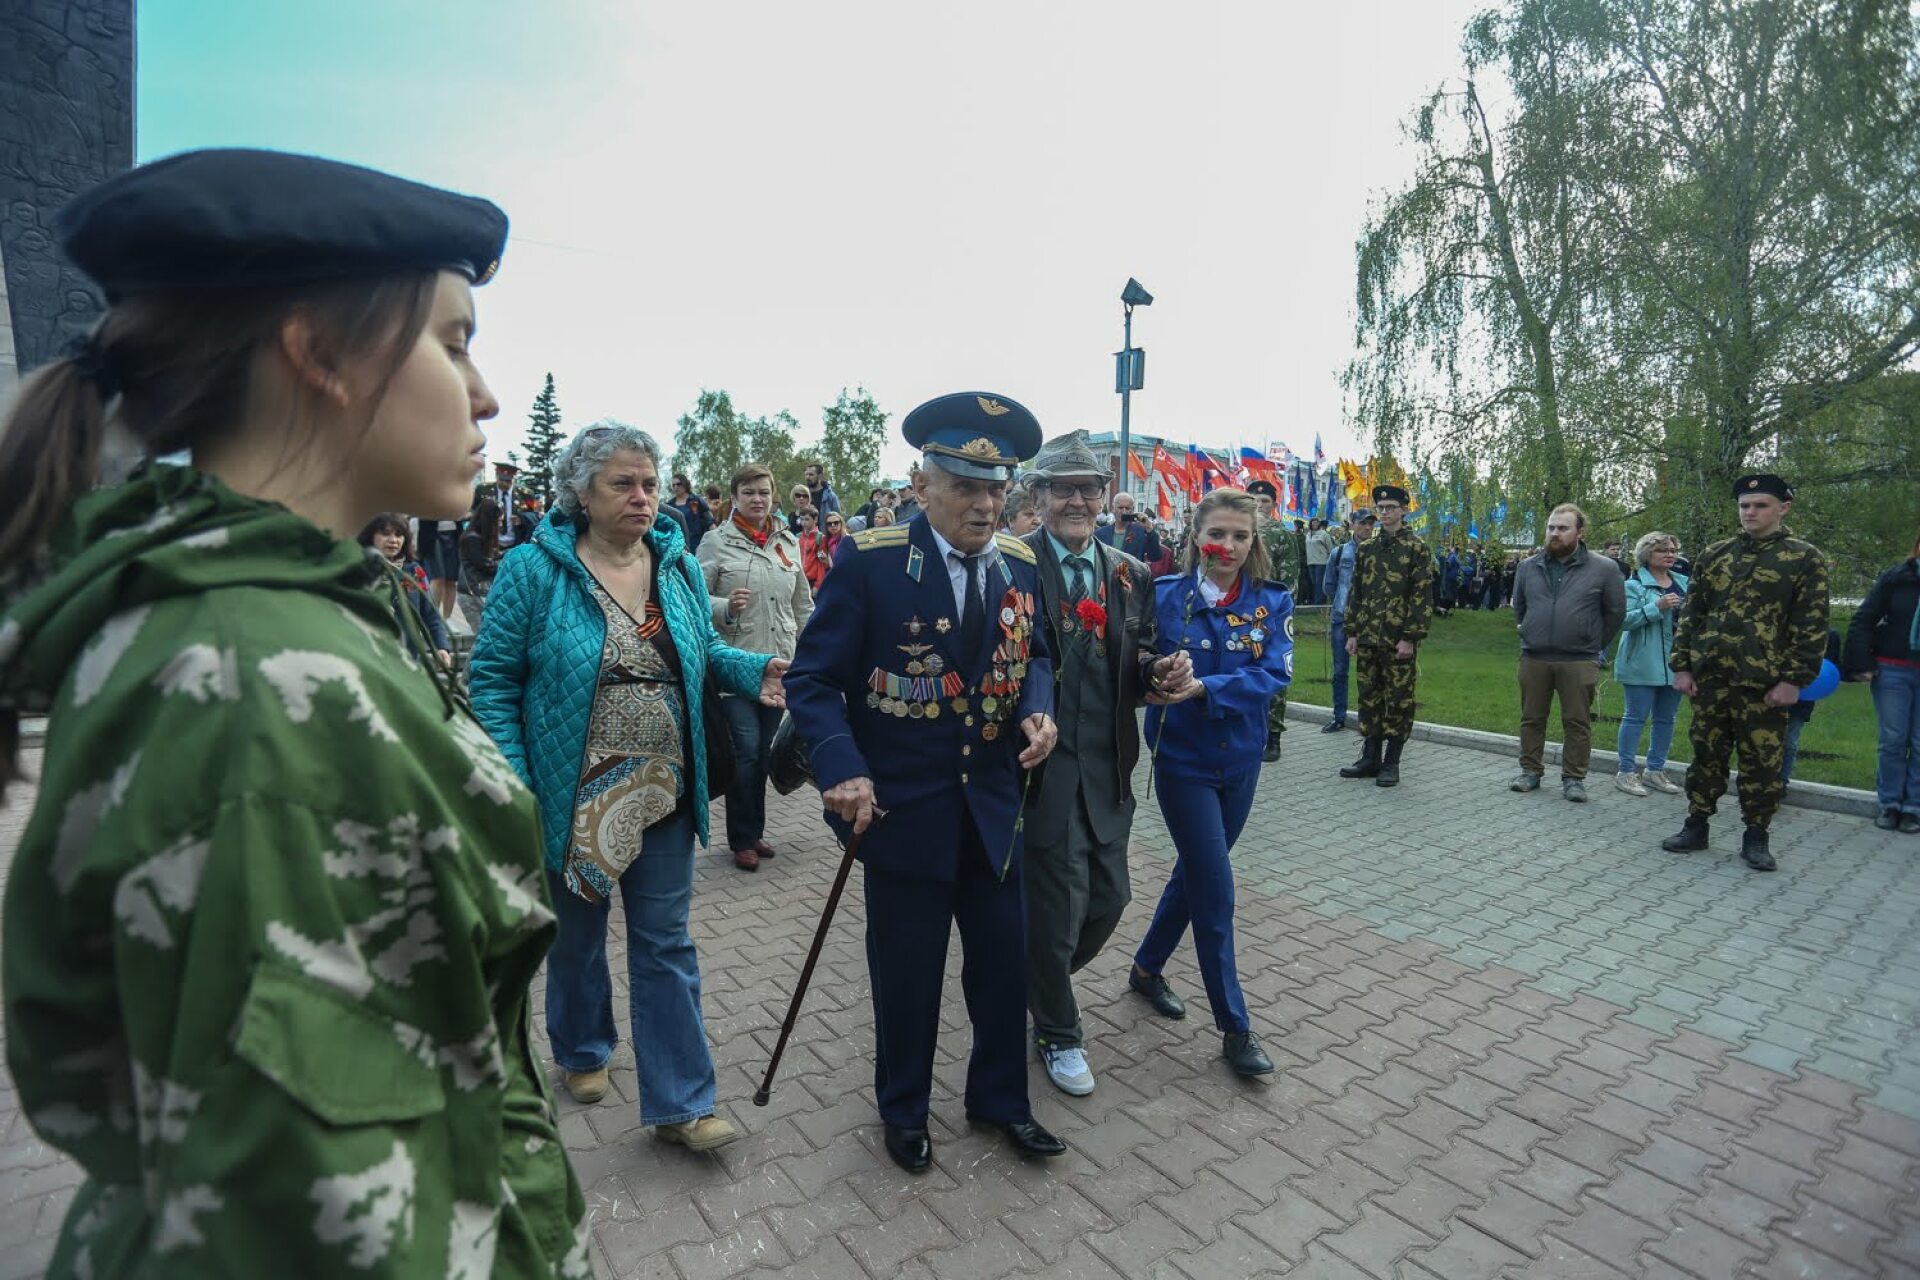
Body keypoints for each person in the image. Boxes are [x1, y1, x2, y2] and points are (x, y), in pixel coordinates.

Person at [0, 148, 592, 1276]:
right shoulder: (258, 684)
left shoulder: (305, 613)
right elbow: (319, 1217)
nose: (485, 394)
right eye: (453, 341)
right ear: (319, 353)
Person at [469, 420, 787, 1152]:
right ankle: (583, 1047)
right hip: (568, 789)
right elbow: (492, 682)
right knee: (577, 938)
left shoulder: (672, 563)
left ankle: (682, 1103)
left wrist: (754, 670)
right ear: (581, 492)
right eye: (623, 483)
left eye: (649, 483)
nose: (643, 497)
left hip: (664, 786)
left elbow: (704, 649)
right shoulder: (533, 570)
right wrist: (517, 782)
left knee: (666, 942)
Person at [784, 390, 1064, 1173]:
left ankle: (1001, 1101)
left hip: (994, 807)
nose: (985, 505)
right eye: (965, 486)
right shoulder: (871, 560)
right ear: (922, 485)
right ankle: (903, 1109)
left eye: (996, 488)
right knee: (907, 974)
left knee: (1003, 966)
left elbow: (1038, 654)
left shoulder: (1019, 562)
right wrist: (841, 766)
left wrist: (1038, 710)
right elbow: (812, 680)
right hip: (903, 811)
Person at [1017, 433, 1185, 1097]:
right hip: (1041, 769)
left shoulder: (1130, 572)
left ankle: (1032, 979)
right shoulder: (1013, 564)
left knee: (1110, 900)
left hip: (1109, 766)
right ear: (1039, 497)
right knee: (1059, 912)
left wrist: (1156, 672)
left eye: (1088, 487)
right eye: (1063, 489)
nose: (1078, 500)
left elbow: (1136, 655)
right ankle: (1059, 1032)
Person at [1131, 488, 1292, 1078]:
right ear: (1195, 537)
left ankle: (1146, 968)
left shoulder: (1271, 601)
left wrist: (1206, 688)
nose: (1228, 546)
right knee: (1216, 888)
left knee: (1197, 872)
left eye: (1240, 536)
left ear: (1254, 542)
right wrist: (1156, 675)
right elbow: (1135, 664)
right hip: (1183, 761)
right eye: (1217, 534)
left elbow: (1274, 672)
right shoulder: (1164, 595)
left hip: (1241, 761)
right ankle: (1234, 1026)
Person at [1661, 475, 1830, 872]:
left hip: (1765, 684)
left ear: (1783, 508)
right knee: (1706, 755)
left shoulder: (1803, 558)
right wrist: (1682, 665)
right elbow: (1693, 613)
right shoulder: (1716, 554)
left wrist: (1793, 680)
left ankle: (1756, 835)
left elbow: (1811, 625)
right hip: (1712, 678)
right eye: (1744, 505)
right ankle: (1696, 824)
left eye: (1760, 505)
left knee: (1762, 762)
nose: (1750, 512)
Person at [698, 463, 814, 870]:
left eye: (763, 492)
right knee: (745, 752)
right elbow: (694, 599)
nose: (757, 499)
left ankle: (756, 830)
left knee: (762, 752)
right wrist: (726, 607)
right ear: (735, 498)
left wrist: (811, 653)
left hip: (779, 665)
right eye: (748, 492)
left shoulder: (788, 542)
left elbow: (802, 603)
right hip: (736, 665)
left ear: (773, 496)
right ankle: (742, 838)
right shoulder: (715, 542)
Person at [1508, 504, 1626, 802]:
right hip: (1534, 657)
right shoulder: (1528, 566)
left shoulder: (1604, 568)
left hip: (1579, 659)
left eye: (1563, 528)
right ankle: (1530, 771)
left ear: (1580, 532)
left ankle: (1574, 778)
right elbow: (1520, 606)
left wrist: (1592, 643)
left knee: (1577, 721)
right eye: (1551, 527)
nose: (1555, 533)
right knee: (1531, 718)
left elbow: (1615, 613)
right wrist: (1527, 630)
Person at [1339, 485, 1431, 786]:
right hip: (1367, 636)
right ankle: (1370, 757)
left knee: (1399, 700)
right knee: (1369, 698)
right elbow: (1356, 592)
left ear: (1404, 510)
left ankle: (1392, 762)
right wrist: (1352, 631)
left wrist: (1410, 637)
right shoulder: (1367, 549)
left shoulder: (1416, 548)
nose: (1385, 512)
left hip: (1396, 639)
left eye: (1391, 507)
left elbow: (1421, 597)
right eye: (1381, 507)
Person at [1845, 530, 1920, 832]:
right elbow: (1864, 618)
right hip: (1893, 670)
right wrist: (1861, 663)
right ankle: (1889, 804)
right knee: (1893, 739)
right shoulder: (1897, 578)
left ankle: (1914, 808)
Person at [1613, 531, 1689, 796]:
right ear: (1647, 554)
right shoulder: (1633, 585)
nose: (1669, 555)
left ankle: (1655, 770)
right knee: (1635, 717)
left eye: (1673, 550)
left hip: (1676, 662)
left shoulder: (1684, 583)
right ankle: (1626, 772)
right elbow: (1623, 621)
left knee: (1666, 719)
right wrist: (1656, 607)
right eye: (1662, 550)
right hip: (1641, 662)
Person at [359, 512, 455, 668]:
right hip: (368, 656)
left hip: (407, 659)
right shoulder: (358, 570)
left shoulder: (414, 571)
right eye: (386, 533)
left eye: (399, 535)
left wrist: (441, 647)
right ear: (371, 536)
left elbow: (431, 615)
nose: (393, 540)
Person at [1320, 509, 1376, 732]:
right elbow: (1329, 584)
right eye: (1363, 523)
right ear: (1352, 524)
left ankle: (1368, 719)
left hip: (1371, 621)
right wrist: (1343, 602)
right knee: (1340, 670)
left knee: (1370, 673)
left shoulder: (1378, 552)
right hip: (1342, 619)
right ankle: (1339, 716)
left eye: (1370, 524)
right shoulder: (1340, 552)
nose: (1367, 528)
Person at [1246, 480, 1290, 760]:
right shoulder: (1240, 531)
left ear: (1273, 505)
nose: (1260, 506)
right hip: (1240, 612)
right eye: (1255, 501)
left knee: (1272, 670)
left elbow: (1289, 580)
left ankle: (1274, 736)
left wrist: (1281, 615)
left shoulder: (1281, 534)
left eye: (1265, 501)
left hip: (1270, 613)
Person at [457, 496, 504, 629]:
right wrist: (506, 563)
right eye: (498, 521)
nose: (500, 525)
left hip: (479, 593)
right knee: (483, 635)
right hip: (472, 595)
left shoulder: (479, 538)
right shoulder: (472, 539)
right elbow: (485, 565)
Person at [1096, 490, 1164, 566]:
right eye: (1120, 508)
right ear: (1113, 509)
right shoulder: (1100, 533)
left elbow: (1155, 557)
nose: (1124, 511)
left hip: (1132, 573)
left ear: (1133, 510)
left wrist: (1149, 529)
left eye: (1127, 508)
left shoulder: (1141, 532)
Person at [481, 458, 536, 549]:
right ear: (496, 476)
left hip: (517, 543)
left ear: (514, 479)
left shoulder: (526, 494)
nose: (504, 484)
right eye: (501, 480)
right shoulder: (483, 490)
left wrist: (522, 519)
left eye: (508, 481)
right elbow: (475, 512)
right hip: (490, 543)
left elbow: (534, 515)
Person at [665, 472, 715, 551]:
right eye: (673, 485)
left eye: (678, 484)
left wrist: (716, 541)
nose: (675, 487)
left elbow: (710, 523)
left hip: (698, 545)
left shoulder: (698, 501)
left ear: (685, 484)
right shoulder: (669, 506)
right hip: (678, 546)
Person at [1305, 517, 1333, 606]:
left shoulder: (1324, 534)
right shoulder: (1308, 534)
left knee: (1319, 583)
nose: (1315, 524)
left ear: (1319, 524)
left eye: (1316, 522)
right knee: (1313, 583)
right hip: (1310, 562)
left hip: (1321, 562)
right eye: (1313, 522)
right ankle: (1314, 601)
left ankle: (1319, 603)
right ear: (1310, 524)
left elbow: (1330, 548)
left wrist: (1328, 559)